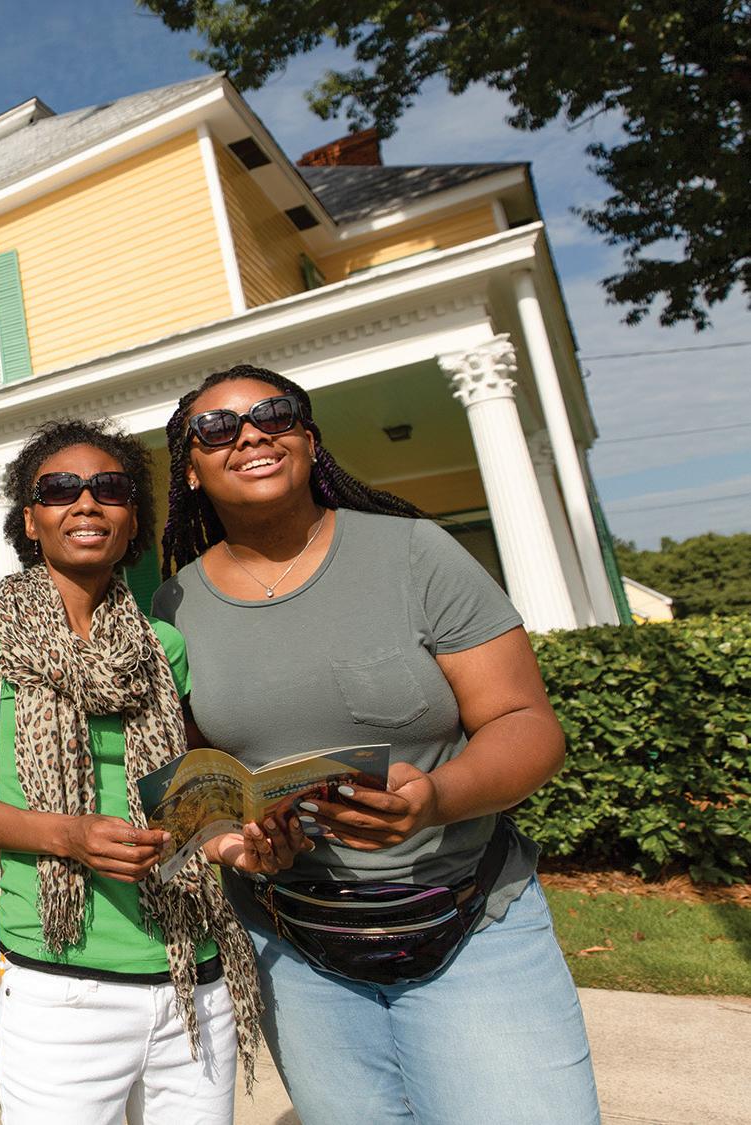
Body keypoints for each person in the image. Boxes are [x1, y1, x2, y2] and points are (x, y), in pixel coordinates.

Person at [154, 365, 600, 1124]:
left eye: (274, 414)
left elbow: (526, 723)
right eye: (218, 428)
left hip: (468, 920)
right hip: (292, 944)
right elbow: (193, 777)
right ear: (191, 470)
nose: (251, 435)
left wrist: (436, 799)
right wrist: (239, 843)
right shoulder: (176, 603)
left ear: (309, 440)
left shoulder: (415, 553)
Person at [0, 418, 306, 1124]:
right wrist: (68, 836)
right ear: (30, 520)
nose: (86, 501)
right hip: (64, 983)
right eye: (59, 489)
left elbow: (189, 803)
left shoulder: (164, 643)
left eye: (110, 488)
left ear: (132, 519)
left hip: (192, 969)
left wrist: (238, 845)